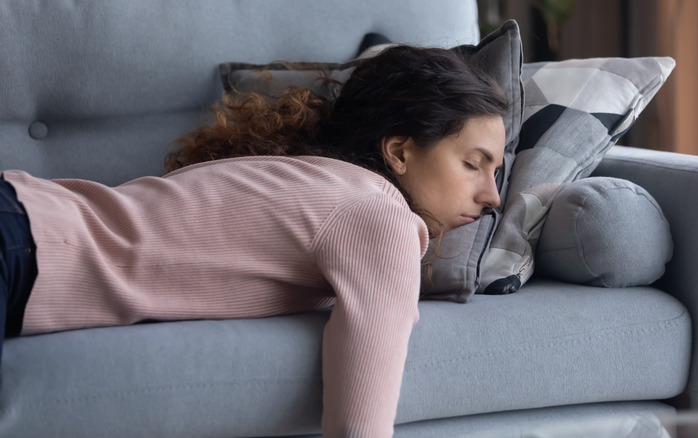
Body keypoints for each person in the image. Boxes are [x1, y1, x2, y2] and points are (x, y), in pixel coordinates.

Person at [0, 45, 508, 437]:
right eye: (472, 164)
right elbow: (360, 424)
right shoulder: (378, 217)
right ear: (399, 151)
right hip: (20, 242)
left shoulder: (314, 178)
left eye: (496, 172)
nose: (492, 197)